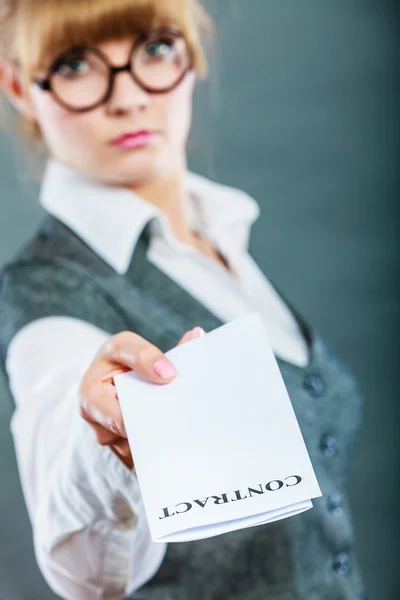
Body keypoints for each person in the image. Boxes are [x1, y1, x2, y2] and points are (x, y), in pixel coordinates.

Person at [0, 0, 368, 599]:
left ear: (193, 53)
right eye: (74, 65)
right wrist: (106, 453)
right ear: (19, 85)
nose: (128, 98)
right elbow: (84, 568)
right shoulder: (49, 293)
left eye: (154, 49)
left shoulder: (219, 233)